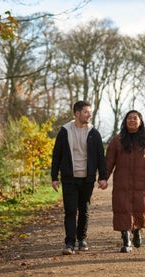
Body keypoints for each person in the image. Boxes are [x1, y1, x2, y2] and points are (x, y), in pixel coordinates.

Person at [51, 100, 108, 255]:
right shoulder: (65, 131)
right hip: (69, 178)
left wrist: (103, 177)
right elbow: (57, 155)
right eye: (86, 112)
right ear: (77, 113)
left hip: (87, 178)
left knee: (84, 210)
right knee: (70, 210)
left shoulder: (93, 133)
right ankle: (69, 243)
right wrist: (54, 177)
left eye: (90, 112)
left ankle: (82, 239)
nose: (89, 114)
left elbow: (100, 157)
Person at [105, 110, 145, 253]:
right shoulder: (117, 140)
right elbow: (109, 161)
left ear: (140, 122)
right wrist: (103, 178)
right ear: (125, 121)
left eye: (135, 118)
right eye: (129, 118)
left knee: (140, 207)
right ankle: (126, 239)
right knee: (123, 208)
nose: (132, 120)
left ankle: (137, 231)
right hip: (122, 182)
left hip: (142, 183)